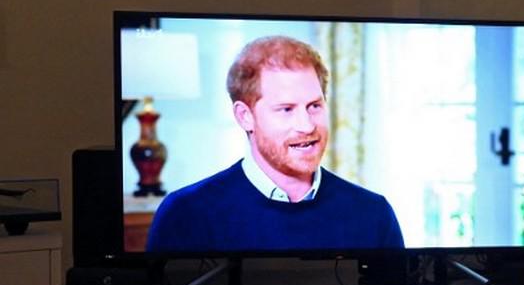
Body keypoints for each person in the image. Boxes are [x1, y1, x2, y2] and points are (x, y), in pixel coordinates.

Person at [146, 36, 404, 253]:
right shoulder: (186, 214)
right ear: (244, 116)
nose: (306, 125)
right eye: (286, 109)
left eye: (314, 106)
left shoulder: (373, 213)